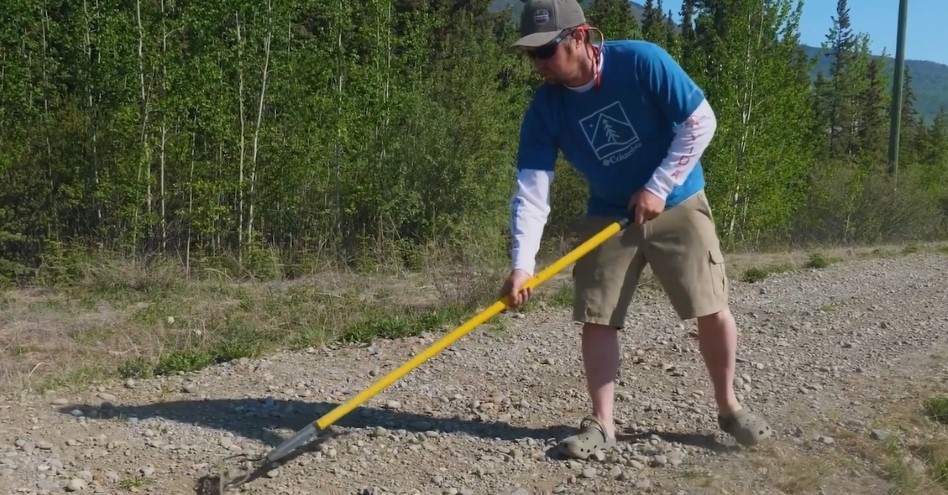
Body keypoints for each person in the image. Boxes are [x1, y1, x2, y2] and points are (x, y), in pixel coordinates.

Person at [501, 0, 773, 459]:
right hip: (609, 213)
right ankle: (602, 424)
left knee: (711, 306)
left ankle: (729, 408)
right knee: (597, 315)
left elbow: (701, 121)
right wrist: (522, 266)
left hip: (679, 199)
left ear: (581, 36)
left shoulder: (642, 61)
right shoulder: (545, 107)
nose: (540, 64)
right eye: (532, 55)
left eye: (548, 50)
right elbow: (532, 190)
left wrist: (658, 186)